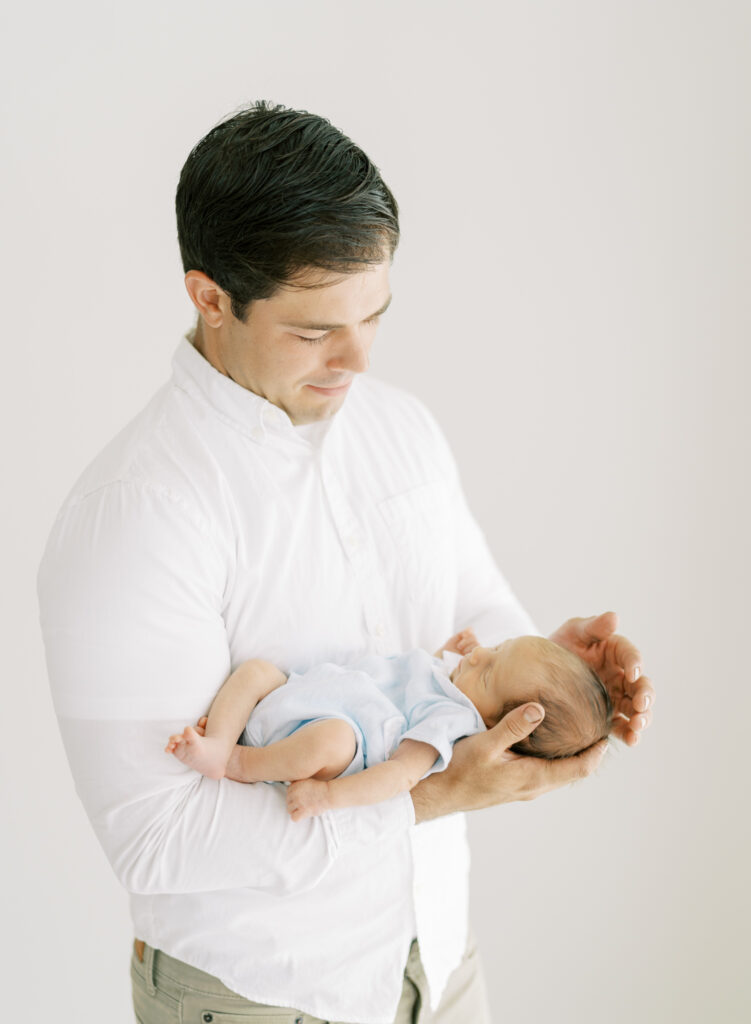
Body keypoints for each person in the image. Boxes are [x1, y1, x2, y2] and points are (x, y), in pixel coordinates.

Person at [37, 101, 654, 1024]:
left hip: (439, 964)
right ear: (210, 299)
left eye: (375, 316)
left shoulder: (402, 430)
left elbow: (467, 609)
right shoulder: (132, 516)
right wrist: (428, 795)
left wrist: (538, 662)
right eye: (316, 330)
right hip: (264, 995)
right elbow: (156, 840)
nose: (358, 359)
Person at [165, 628, 613, 821]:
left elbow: (399, 776)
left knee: (328, 740)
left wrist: (329, 794)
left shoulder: (450, 722)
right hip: (300, 692)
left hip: (339, 736)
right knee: (257, 671)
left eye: (489, 671)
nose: (476, 657)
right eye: (495, 648)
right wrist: (453, 652)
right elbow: (411, 678)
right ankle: (218, 744)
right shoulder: (451, 680)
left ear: (498, 723)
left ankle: (239, 762)